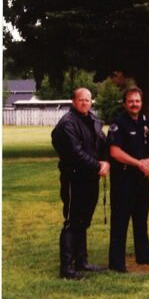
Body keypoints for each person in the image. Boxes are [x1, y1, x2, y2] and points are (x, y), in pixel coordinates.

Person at [51, 88, 110, 280]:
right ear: (73, 101)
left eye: (88, 100)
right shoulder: (67, 124)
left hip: (90, 179)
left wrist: (106, 161)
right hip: (74, 179)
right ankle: (66, 268)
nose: (85, 103)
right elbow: (75, 153)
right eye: (81, 100)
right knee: (72, 221)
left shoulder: (92, 120)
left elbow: (102, 143)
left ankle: (81, 261)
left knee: (83, 221)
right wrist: (98, 166)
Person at [107, 86, 149, 273]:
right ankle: (117, 263)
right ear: (124, 103)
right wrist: (138, 163)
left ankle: (144, 257)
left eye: (137, 101)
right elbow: (114, 152)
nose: (134, 104)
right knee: (120, 220)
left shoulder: (144, 122)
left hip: (141, 179)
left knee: (141, 219)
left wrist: (148, 160)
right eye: (131, 101)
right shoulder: (118, 123)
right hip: (123, 179)